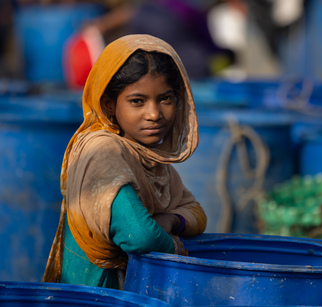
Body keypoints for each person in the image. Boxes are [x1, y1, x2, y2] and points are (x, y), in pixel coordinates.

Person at [43, 34, 207, 290]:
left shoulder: (150, 159)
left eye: (166, 99)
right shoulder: (103, 151)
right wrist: (176, 249)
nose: (154, 114)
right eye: (137, 101)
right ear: (109, 104)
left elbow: (196, 214)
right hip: (96, 292)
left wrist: (172, 221)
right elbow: (139, 235)